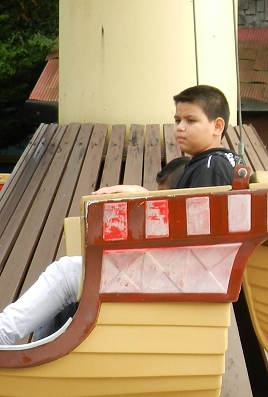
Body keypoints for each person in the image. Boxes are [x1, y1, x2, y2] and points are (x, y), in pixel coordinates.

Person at [0, 85, 238, 346]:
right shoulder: (220, 163)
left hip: (178, 276)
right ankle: (32, 353)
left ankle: (7, 338)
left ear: (217, 126)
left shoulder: (210, 166)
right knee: (72, 279)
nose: (180, 127)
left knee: (66, 273)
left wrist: (144, 197)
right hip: (181, 272)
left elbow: (197, 231)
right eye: (177, 120)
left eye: (191, 120)